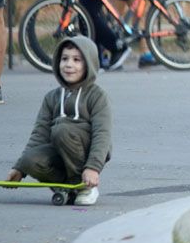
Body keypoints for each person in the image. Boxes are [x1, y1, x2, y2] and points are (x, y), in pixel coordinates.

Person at [6, 36, 111, 206]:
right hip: (60, 150)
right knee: (29, 160)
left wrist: (93, 167)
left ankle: (85, 186)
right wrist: (19, 168)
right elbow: (39, 134)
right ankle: (68, 186)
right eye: (64, 59)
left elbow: (102, 134)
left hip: (88, 151)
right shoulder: (52, 97)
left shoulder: (97, 96)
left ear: (89, 64)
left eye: (77, 60)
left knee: (62, 129)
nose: (69, 64)